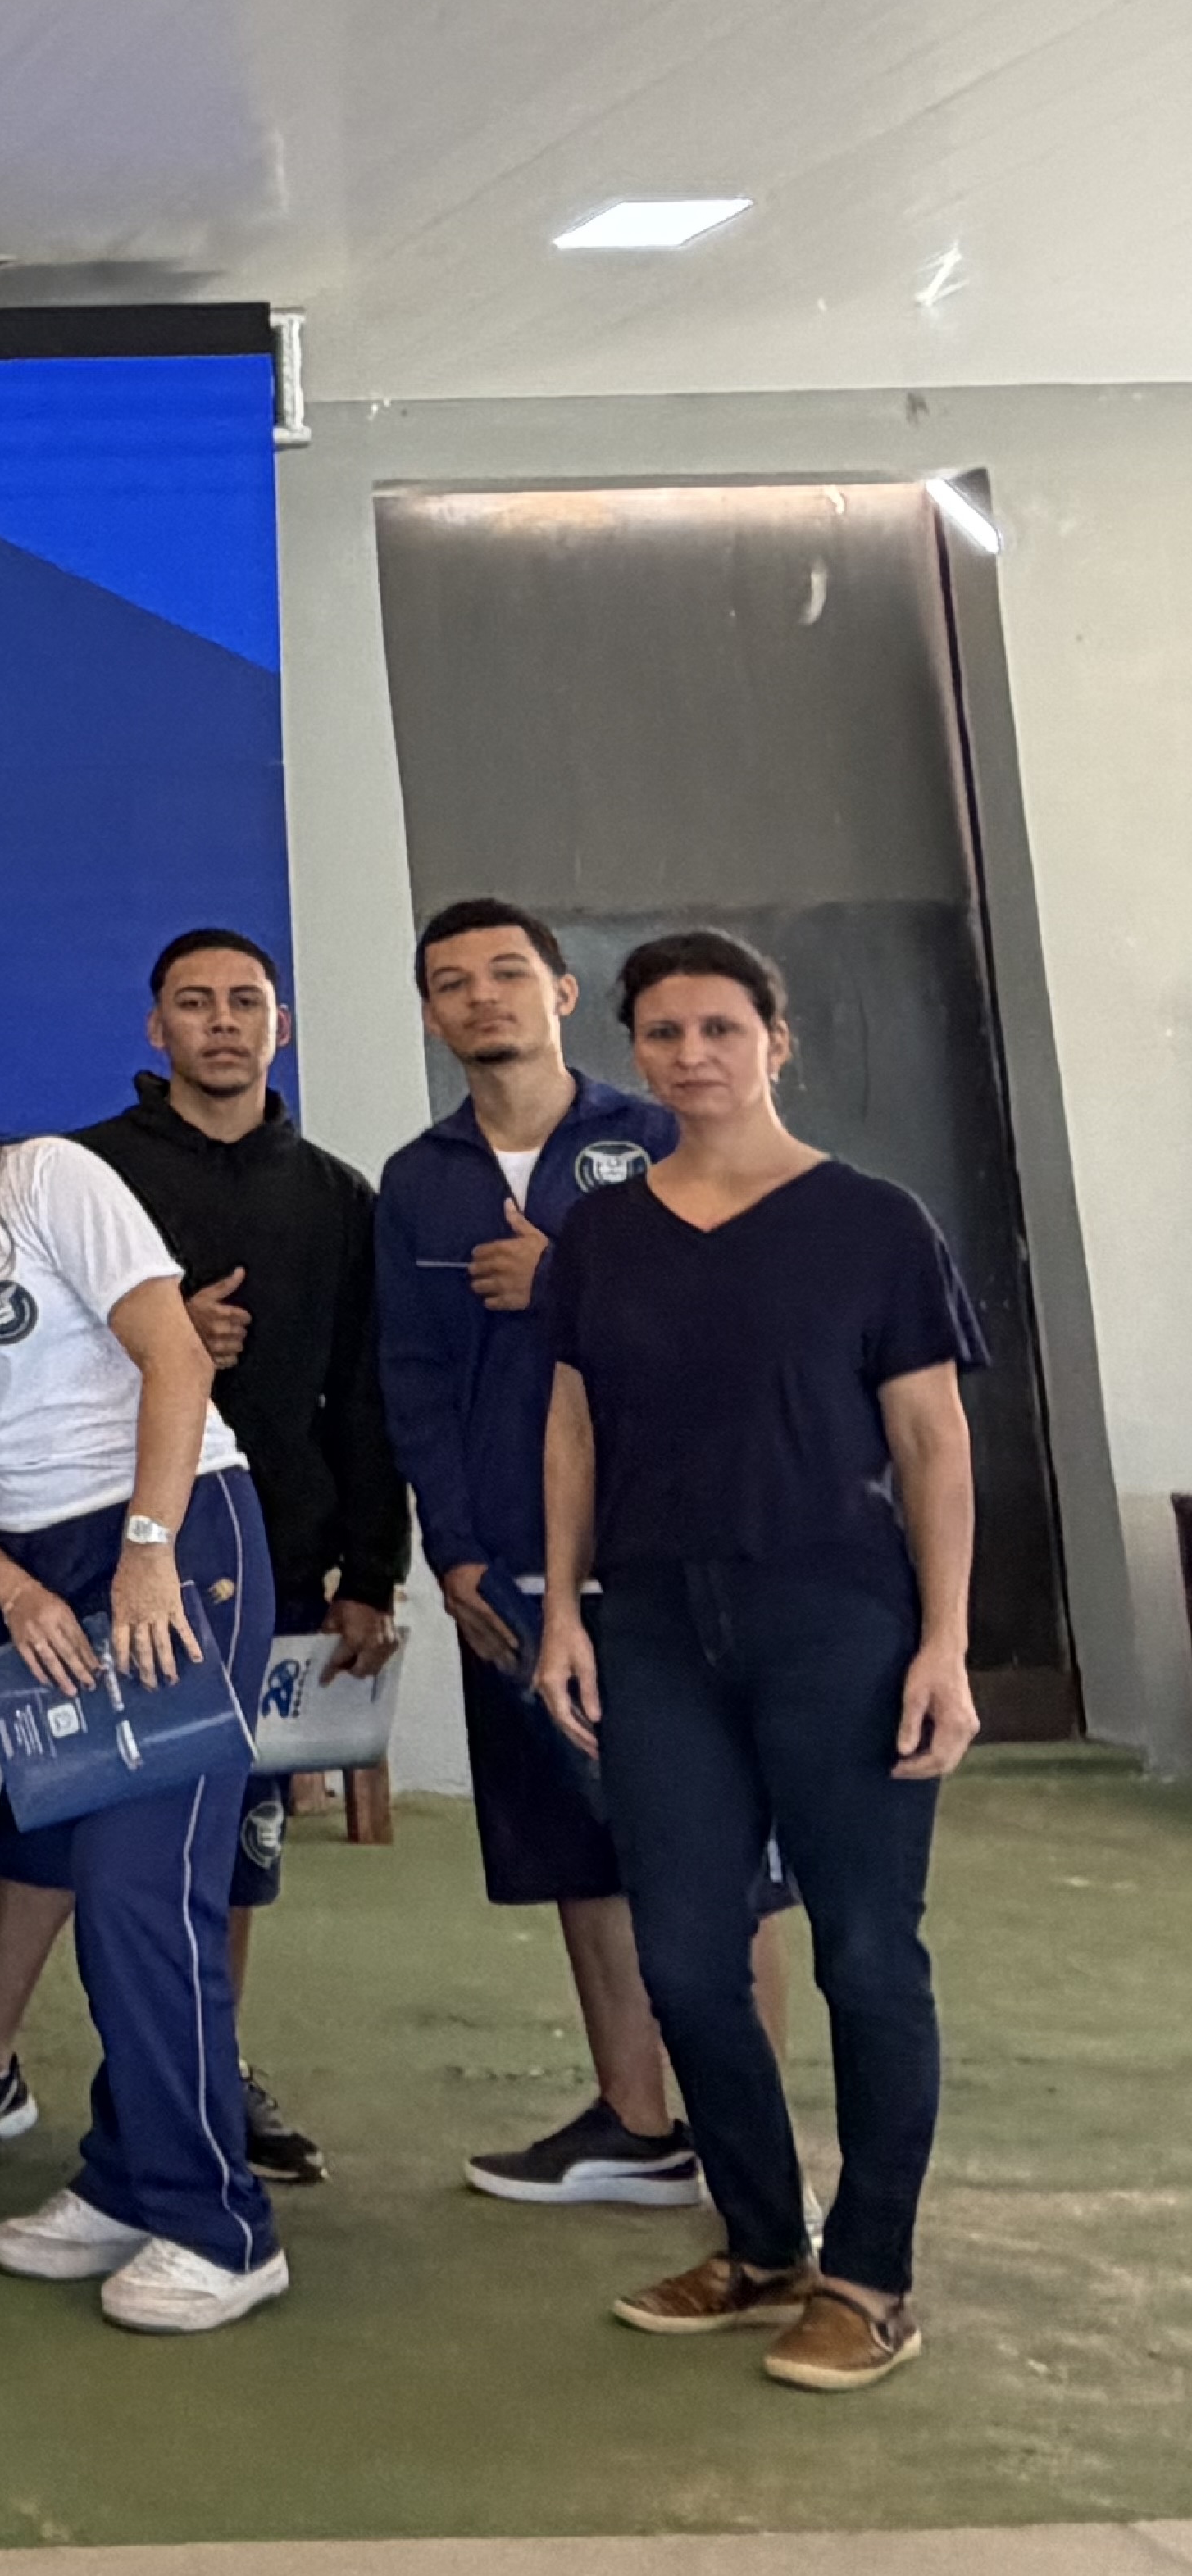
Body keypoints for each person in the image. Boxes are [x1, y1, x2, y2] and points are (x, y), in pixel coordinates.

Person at [534, 930, 982, 2395]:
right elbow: (572, 1426)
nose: (688, 1053)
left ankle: (869, 2273)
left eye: (719, 1025)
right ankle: (761, 2240)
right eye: (658, 1031)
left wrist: (943, 1640)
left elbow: (929, 1439)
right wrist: (563, 1613)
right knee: (683, 1953)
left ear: (775, 1039)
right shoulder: (601, 1231)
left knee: (862, 1948)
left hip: (833, 1616)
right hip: (654, 1623)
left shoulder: (872, 1222)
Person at [0, 1015, 286, 2334]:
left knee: (147, 1894)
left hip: (176, 1529)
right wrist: (16, 1591)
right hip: (38, 1576)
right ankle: (134, 2176)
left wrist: (147, 1553)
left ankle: (221, 2226)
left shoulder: (46, 1182)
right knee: (92, 1870)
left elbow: (175, 1354)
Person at [380, 897, 774, 2210]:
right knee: (579, 1848)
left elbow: (735, 1335)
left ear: (559, 992)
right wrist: (455, 1553)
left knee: (729, 1859)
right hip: (508, 1561)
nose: (482, 997)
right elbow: (415, 1380)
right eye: (453, 982)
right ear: (432, 1014)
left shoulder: (658, 1135)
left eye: (508, 973)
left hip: (670, 1555)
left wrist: (566, 1279)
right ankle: (636, 2118)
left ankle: (750, 2146)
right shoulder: (419, 1177)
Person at [59, 927, 403, 2188]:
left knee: (232, 1847)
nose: (221, 1023)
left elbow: (367, 1401)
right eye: (193, 1004)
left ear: (283, 1027)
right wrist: (160, 1342)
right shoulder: (82, 1173)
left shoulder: (335, 1197)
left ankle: (207, 2064)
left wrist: (371, 1570)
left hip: (274, 1566)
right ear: (154, 1028)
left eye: (246, 1003)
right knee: (91, 1847)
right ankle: (43, 2077)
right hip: (102, 1554)